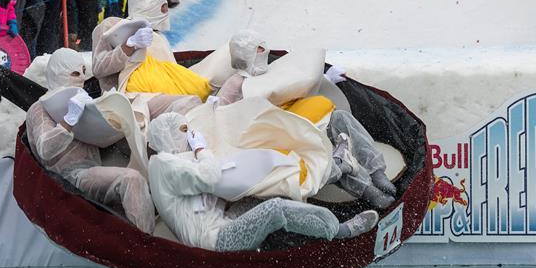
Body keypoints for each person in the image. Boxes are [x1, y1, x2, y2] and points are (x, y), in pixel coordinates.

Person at [216, 30, 399, 208]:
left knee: (342, 118)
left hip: (307, 118)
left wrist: (325, 79)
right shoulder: (235, 85)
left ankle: (376, 172)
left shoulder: (274, 71)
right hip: (281, 136)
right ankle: (368, 191)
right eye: (259, 48)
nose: (264, 52)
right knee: (324, 152)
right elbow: (224, 117)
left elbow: (296, 89)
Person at [147, 112, 379, 251]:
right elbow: (211, 175)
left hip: (224, 221)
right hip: (217, 240)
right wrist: (201, 149)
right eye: (184, 130)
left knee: (273, 185)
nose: (188, 136)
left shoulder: (169, 163)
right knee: (274, 208)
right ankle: (339, 230)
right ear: (168, 134)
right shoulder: (164, 164)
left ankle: (338, 166)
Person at [25, 47, 156, 233]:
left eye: (83, 73)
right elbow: (45, 148)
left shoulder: (83, 99)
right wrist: (69, 120)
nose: (81, 79)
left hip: (96, 165)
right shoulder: (39, 109)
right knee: (132, 179)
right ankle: (146, 245)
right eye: (75, 73)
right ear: (58, 73)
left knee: (147, 167)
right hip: (69, 178)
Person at [91, 0, 204, 118]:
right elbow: (99, 68)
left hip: (162, 92)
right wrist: (129, 46)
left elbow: (171, 73)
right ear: (149, 4)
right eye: (163, 6)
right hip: (129, 99)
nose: (166, 12)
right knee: (187, 103)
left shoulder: (159, 38)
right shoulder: (111, 26)